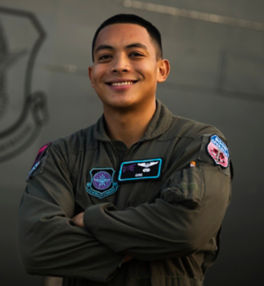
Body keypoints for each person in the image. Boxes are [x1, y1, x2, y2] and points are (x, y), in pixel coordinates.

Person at [18, 14, 232, 286]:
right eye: (105, 57)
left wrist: (91, 220)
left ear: (162, 70)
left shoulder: (194, 144)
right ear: (92, 74)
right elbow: (37, 248)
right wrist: (141, 246)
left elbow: (188, 229)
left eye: (135, 54)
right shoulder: (63, 155)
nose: (120, 66)